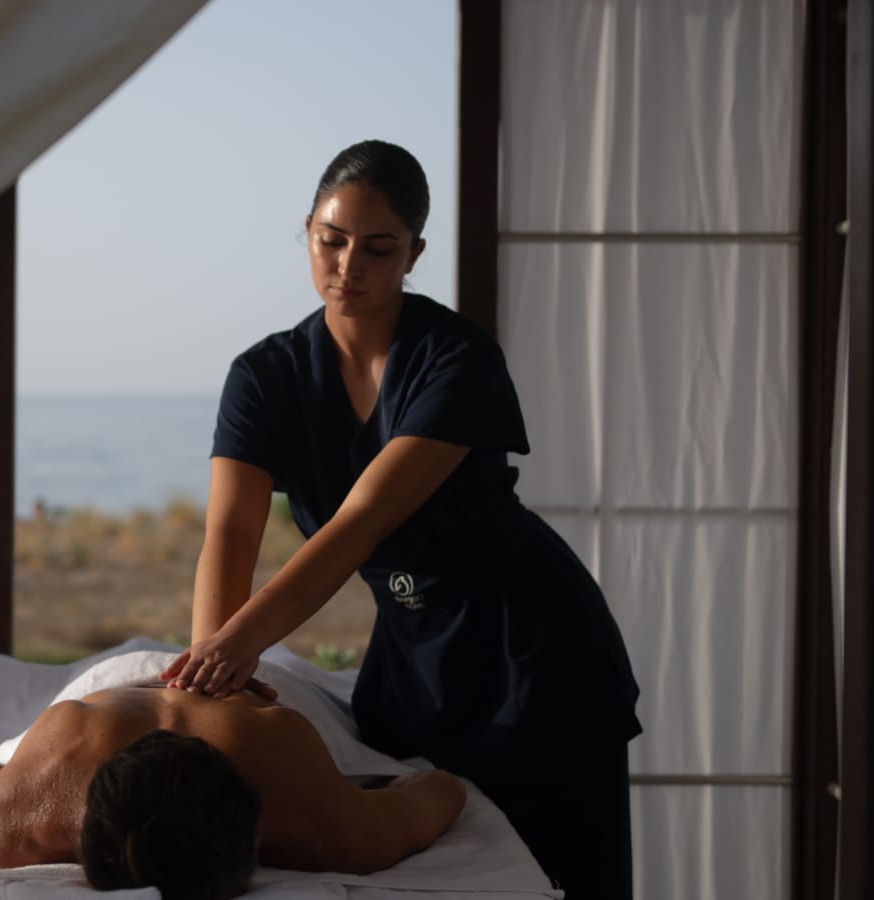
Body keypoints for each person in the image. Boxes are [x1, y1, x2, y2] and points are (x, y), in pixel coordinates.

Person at [159, 139, 642, 899]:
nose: (349, 265)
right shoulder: (263, 377)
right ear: (308, 233)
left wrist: (242, 643)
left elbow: (359, 522)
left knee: (568, 875)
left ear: (414, 253)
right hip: (412, 651)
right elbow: (231, 533)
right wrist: (207, 689)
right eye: (332, 240)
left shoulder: (457, 358)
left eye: (379, 248)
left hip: (529, 642)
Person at [0, 682, 466, 900]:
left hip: (136, 690)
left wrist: (0, 778)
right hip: (249, 694)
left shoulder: (10, 822)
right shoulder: (323, 825)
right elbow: (438, 788)